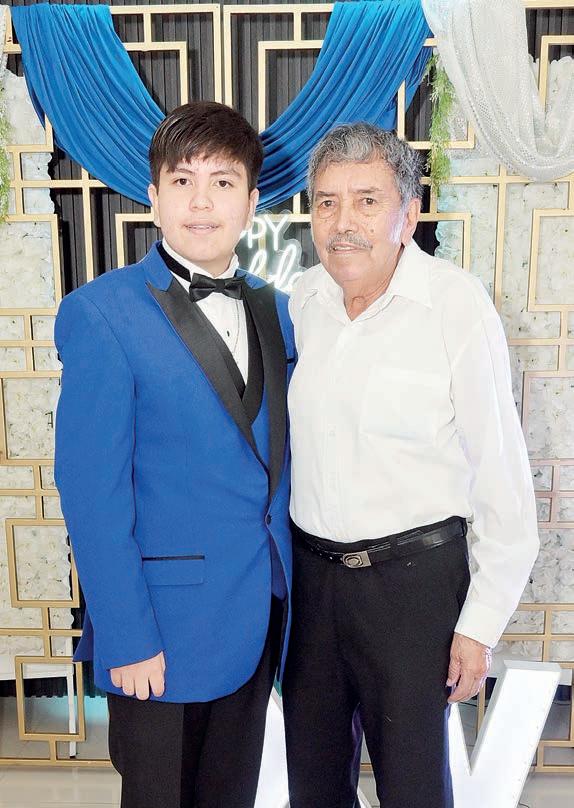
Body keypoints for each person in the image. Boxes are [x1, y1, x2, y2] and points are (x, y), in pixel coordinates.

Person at [283, 122, 539, 808]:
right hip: (314, 583)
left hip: (414, 587)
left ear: (409, 213)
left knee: (415, 787)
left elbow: (502, 478)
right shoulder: (304, 300)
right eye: (327, 202)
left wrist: (479, 626)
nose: (343, 222)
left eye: (367, 201)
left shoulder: (456, 306)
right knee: (313, 782)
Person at [54, 101, 294, 808]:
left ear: (251, 200)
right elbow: (91, 494)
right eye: (183, 181)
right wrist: (125, 636)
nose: (202, 202)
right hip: (158, 628)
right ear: (153, 196)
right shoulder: (102, 312)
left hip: (258, 613)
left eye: (223, 182)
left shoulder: (277, 309)